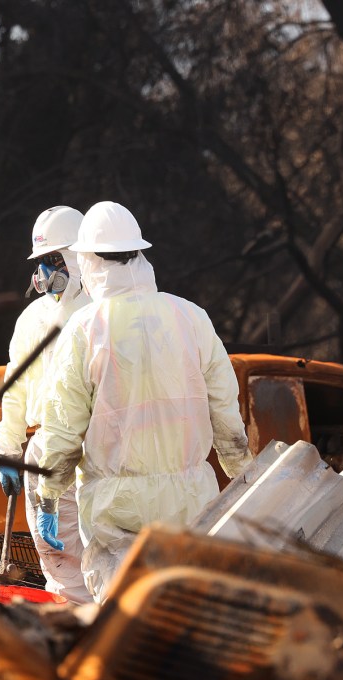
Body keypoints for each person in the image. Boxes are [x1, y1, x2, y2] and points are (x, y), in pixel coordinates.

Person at [35, 201, 254, 601]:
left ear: (88, 260)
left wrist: (49, 493)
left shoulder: (84, 329)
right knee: (189, 618)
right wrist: (242, 471)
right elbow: (225, 408)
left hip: (116, 508)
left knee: (127, 626)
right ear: (138, 254)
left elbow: (63, 427)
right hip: (190, 499)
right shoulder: (191, 317)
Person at [0, 206, 92, 604]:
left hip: (95, 444)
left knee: (102, 553)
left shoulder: (99, 311)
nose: (44, 275)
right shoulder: (32, 318)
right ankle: (73, 629)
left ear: (78, 257)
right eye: (41, 264)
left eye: (55, 261)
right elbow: (15, 386)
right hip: (44, 446)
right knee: (59, 559)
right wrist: (7, 448)